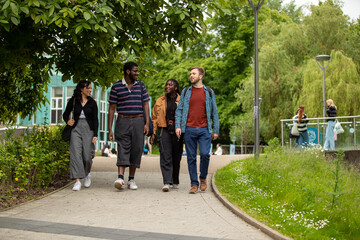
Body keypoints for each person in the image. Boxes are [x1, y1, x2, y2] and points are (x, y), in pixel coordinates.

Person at [175, 67, 219, 194]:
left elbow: (214, 112)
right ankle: (194, 183)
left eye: (193, 74)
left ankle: (203, 177)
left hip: (205, 129)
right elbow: (180, 110)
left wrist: (216, 130)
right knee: (191, 157)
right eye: (190, 74)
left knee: (205, 154)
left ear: (201, 76)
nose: (191, 76)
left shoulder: (209, 92)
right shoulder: (185, 92)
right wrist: (178, 126)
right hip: (189, 128)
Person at [108, 61, 150, 190]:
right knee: (122, 147)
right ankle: (120, 178)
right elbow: (111, 109)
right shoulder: (116, 87)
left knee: (136, 149)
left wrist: (147, 123)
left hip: (138, 120)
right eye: (135, 71)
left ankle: (131, 180)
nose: (137, 73)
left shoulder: (141, 86)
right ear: (127, 71)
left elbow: (146, 104)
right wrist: (110, 128)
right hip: (122, 120)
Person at [63, 80, 98, 191]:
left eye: (91, 88)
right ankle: (77, 181)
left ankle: (87, 174)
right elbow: (65, 114)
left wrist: (95, 134)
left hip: (88, 129)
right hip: (75, 129)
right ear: (81, 89)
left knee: (87, 156)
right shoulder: (73, 101)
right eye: (88, 88)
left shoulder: (92, 102)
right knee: (75, 154)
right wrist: (68, 121)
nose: (90, 90)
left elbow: (95, 119)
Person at [150, 79, 183, 192]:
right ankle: (167, 182)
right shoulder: (160, 100)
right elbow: (154, 118)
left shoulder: (182, 100)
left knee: (176, 157)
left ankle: (174, 180)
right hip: (163, 130)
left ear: (175, 87)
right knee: (165, 155)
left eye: (170, 84)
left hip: (178, 131)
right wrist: (153, 133)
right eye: (166, 84)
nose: (167, 86)